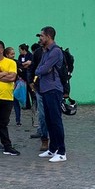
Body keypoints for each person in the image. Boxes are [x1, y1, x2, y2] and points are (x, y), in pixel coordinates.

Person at [36, 26, 67, 162]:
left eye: (41, 36)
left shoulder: (55, 51)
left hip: (53, 89)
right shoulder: (45, 52)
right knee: (48, 120)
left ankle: (61, 151)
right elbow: (39, 68)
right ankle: (52, 149)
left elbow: (43, 69)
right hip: (45, 89)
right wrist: (42, 69)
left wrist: (42, 70)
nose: (40, 38)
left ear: (48, 37)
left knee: (56, 120)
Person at [5, 47, 25, 126]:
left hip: (15, 84)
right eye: (11, 54)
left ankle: (18, 120)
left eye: (14, 54)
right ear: (7, 54)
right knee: (7, 104)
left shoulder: (16, 62)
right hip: (7, 85)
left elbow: (22, 71)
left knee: (16, 103)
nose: (13, 55)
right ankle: (6, 119)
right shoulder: (4, 63)